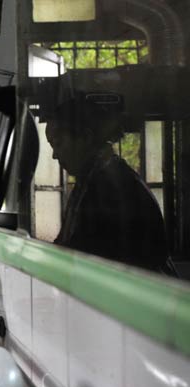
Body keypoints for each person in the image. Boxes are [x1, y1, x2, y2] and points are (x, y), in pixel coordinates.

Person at [45, 92, 178, 277]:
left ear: (86, 137)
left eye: (58, 143)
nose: (54, 155)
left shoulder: (109, 187)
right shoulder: (94, 179)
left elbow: (83, 254)